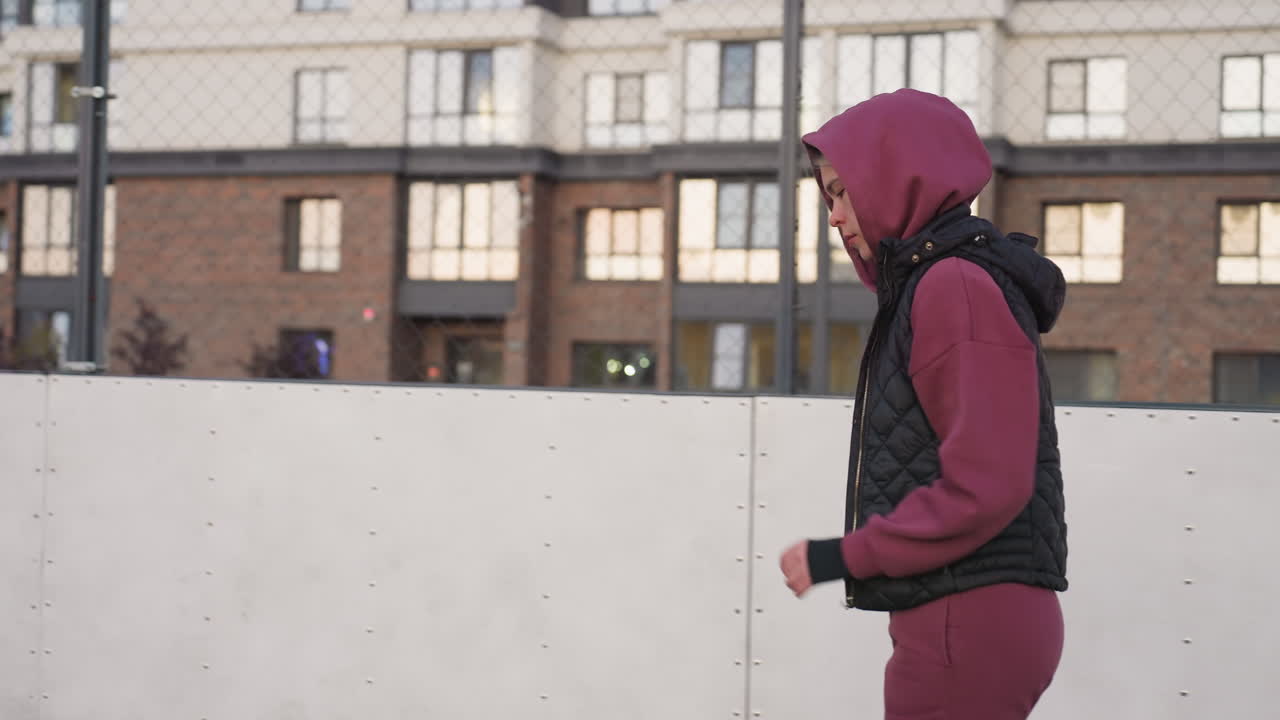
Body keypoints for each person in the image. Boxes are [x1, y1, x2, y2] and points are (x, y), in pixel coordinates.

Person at [777, 88, 1069, 720]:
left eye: (841, 192)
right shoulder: (942, 283)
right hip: (962, 616)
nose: (833, 216)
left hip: (967, 620)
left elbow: (985, 484)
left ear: (895, 175)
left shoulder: (953, 287)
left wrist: (841, 554)